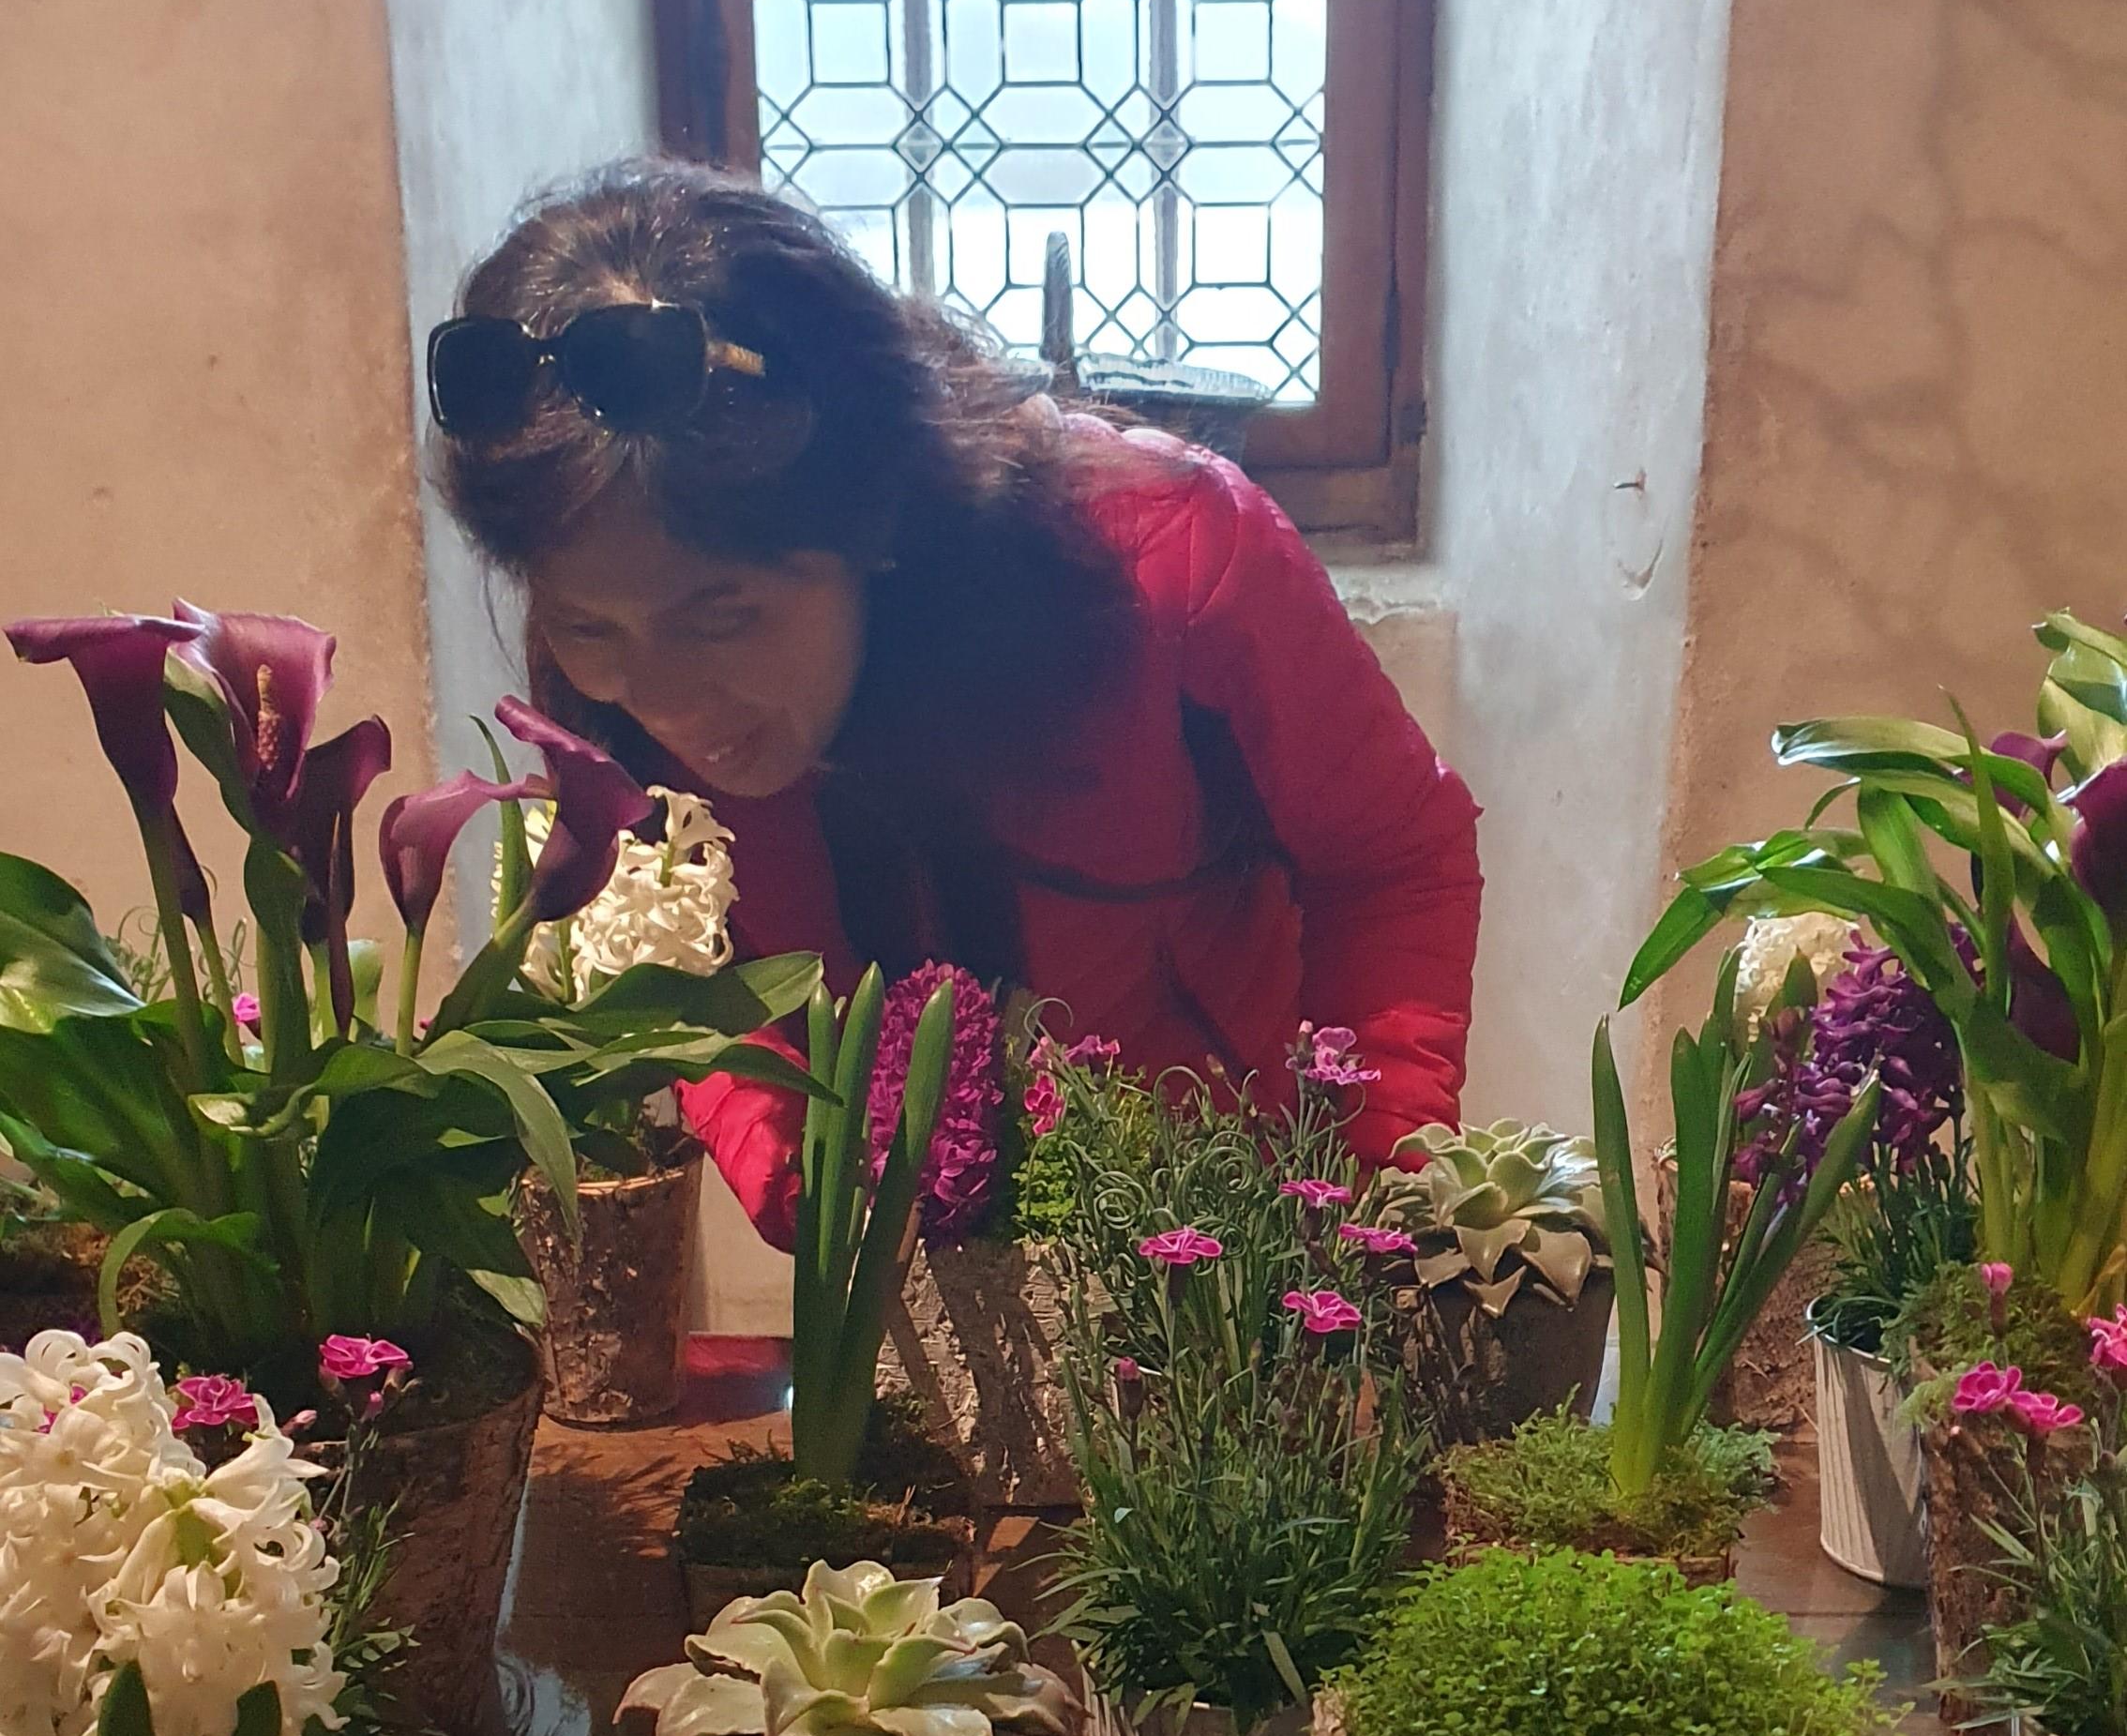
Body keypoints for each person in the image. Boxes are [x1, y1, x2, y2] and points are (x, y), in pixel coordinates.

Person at [430, 159, 1480, 1244]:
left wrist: (1360, 1202)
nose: (661, 702)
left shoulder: (1167, 560)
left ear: (873, 519)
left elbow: (1392, 859)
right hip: (912, 1266)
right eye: (589, 629)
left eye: (721, 616)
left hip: (1220, 1232)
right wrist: (808, 1180)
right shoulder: (606, 691)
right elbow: (693, 975)